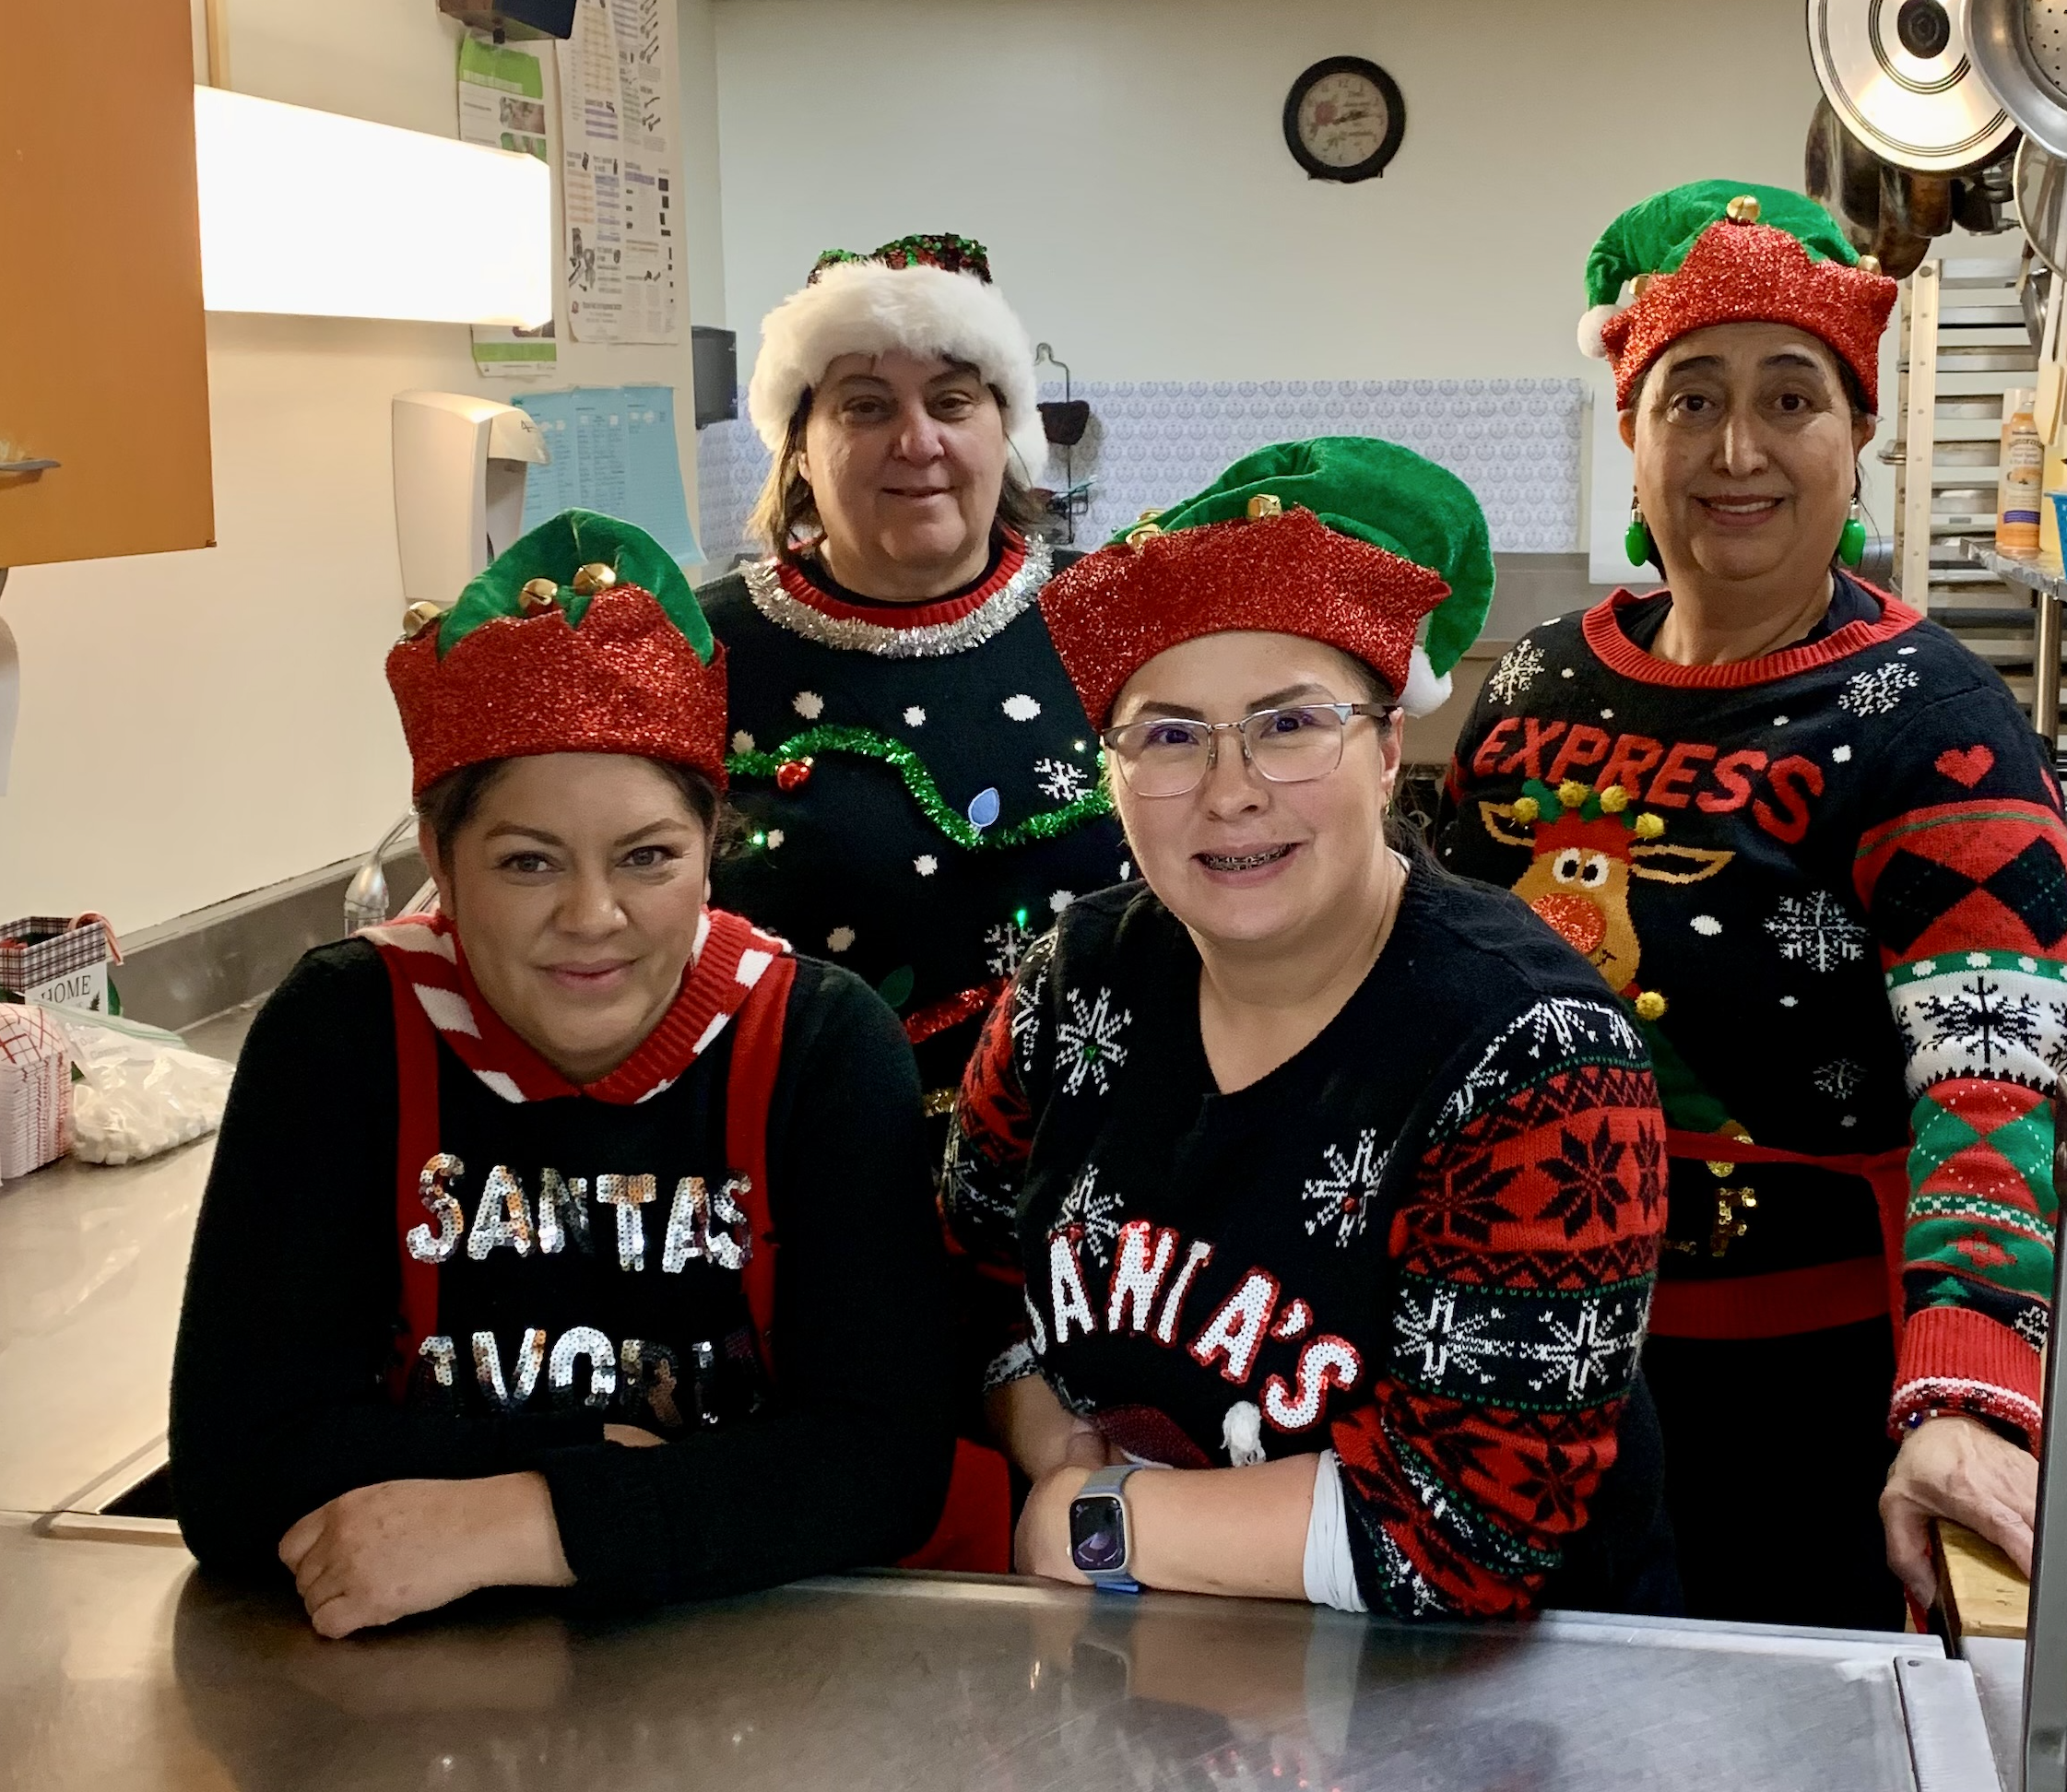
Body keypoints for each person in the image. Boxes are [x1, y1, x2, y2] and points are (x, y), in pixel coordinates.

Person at [1439, 182, 2067, 1628]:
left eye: (1789, 397)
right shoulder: (1522, 694)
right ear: (1631, 437)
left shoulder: (1936, 721)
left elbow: (1990, 1080)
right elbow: (1436, 1028)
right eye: (1687, 400)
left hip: (1814, 1384)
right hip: (1523, 1359)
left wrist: (1961, 1393)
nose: (1736, 450)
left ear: (1857, 437)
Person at [170, 511, 968, 1639]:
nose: (592, 919)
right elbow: (237, 1473)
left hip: (758, 1678)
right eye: (527, 862)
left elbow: (883, 1467)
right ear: (440, 860)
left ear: (711, 848)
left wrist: (528, 1521)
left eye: (648, 857)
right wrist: (657, 1473)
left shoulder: (819, 1045)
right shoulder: (345, 1032)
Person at [943, 438, 1679, 1620]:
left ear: (1390, 748)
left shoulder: (1532, 1050)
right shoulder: (1074, 983)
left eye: (1289, 726)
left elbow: (1472, 1530)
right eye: (1169, 736)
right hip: (1144, 1667)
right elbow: (963, 1271)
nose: (1230, 790)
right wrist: (1047, 1436)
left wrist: (1098, 1523)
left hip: (1485, 1703)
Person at [698, 233, 1124, 1112]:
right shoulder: (700, 649)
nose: (918, 439)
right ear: (800, 450)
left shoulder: (1112, 614)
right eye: (864, 406)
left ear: (1004, 432)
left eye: (953, 400)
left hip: (1091, 1149)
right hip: (804, 1158)